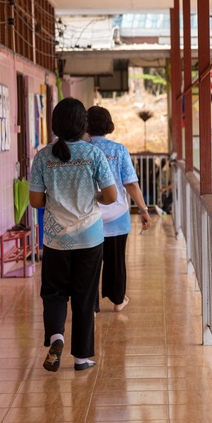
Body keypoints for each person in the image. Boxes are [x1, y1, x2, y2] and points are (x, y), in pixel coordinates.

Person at [29, 98, 117, 372]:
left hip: (56, 238)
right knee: (84, 295)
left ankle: (56, 336)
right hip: (90, 237)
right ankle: (81, 357)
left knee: (54, 293)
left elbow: (36, 201)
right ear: (83, 125)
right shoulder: (93, 155)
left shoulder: (43, 156)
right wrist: (93, 195)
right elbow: (112, 196)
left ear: (55, 124)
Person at [87, 106, 151, 312]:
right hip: (117, 214)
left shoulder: (80, 149)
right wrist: (143, 209)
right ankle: (117, 300)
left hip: (88, 216)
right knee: (116, 261)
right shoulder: (118, 150)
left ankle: (91, 306)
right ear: (108, 125)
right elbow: (131, 184)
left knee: (89, 263)